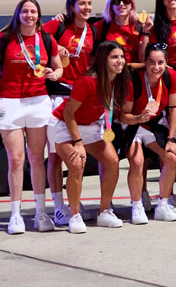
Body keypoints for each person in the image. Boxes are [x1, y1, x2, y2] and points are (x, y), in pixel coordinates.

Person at [0, 0, 63, 234]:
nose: (29, 15)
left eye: (33, 11)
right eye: (25, 11)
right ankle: (15, 215)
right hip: (10, 101)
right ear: (18, 14)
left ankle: (41, 213)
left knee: (36, 157)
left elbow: (58, 65)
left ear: (38, 15)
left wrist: (56, 73)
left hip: (37, 101)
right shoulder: (4, 39)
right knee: (16, 159)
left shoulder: (46, 39)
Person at [49, 41, 125, 233]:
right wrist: (78, 142)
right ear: (103, 60)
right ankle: (74, 215)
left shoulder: (119, 78)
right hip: (65, 125)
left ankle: (104, 211)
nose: (120, 61)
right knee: (76, 164)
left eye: (122, 57)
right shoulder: (87, 81)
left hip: (91, 126)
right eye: (114, 57)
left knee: (113, 162)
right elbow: (68, 114)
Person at [42, 0, 95, 226]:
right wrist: (55, 47)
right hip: (58, 93)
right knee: (55, 155)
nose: (85, 7)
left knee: (75, 155)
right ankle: (59, 206)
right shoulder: (59, 26)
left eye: (88, 3)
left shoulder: (92, 29)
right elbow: (36, 36)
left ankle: (73, 201)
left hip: (79, 95)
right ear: (71, 6)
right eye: (81, 3)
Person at [118, 42, 176, 223]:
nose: (156, 67)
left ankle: (163, 204)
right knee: (137, 162)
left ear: (166, 63)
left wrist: (171, 138)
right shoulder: (134, 80)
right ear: (145, 62)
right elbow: (124, 116)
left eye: (160, 62)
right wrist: (138, 118)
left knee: (171, 156)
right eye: (152, 62)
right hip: (133, 124)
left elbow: (173, 108)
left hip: (154, 124)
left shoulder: (171, 77)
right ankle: (137, 206)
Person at [93, 0, 149, 65]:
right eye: (117, 1)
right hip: (109, 74)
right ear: (111, 5)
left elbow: (143, 59)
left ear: (131, 5)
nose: (121, 4)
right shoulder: (100, 26)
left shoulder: (140, 28)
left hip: (133, 74)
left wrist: (146, 32)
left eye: (125, 1)